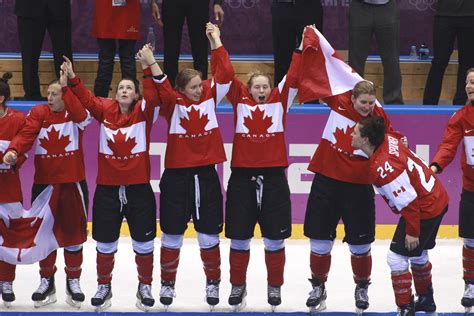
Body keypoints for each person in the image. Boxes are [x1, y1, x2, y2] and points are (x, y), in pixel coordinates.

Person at [63, 46, 161, 311]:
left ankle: (145, 286)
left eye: (129, 88)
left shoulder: (145, 112)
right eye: (120, 88)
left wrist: (146, 67)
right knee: (105, 243)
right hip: (107, 190)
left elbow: (153, 94)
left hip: (138, 189)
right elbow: (85, 98)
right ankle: (104, 286)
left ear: (137, 95)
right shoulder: (105, 109)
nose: (124, 91)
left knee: (143, 242)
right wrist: (72, 77)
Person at [220, 24, 303, 311]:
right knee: (239, 238)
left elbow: (293, 76)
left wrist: (301, 48)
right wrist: (217, 42)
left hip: (274, 179)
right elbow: (226, 74)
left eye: (266, 86)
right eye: (257, 86)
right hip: (242, 178)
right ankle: (237, 286)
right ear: (248, 88)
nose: (262, 90)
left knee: (274, 239)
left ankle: (274, 286)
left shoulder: (280, 102)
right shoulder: (239, 101)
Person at [150, 23, 232, 310]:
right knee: (172, 233)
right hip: (176, 177)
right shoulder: (172, 105)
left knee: (209, 233)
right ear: (182, 89)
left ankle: (213, 282)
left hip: (206, 175)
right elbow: (160, 88)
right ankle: (168, 284)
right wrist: (151, 63)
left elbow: (226, 75)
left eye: (201, 85)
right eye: (194, 87)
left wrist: (216, 41)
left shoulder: (210, 96)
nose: (199, 90)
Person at [303, 81, 395, 313]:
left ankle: (362, 287)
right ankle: (318, 286)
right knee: (320, 241)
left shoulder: (379, 118)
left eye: (371, 102)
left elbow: (390, 143)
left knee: (361, 244)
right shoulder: (339, 101)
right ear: (352, 99)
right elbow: (321, 78)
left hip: (359, 187)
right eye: (363, 102)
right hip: (327, 181)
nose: (367, 107)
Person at [3, 69, 91, 309]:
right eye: (49, 93)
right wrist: (14, 150)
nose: (49, 98)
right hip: (44, 185)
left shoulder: (76, 115)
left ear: (65, 95)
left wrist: (67, 85)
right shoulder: (39, 113)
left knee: (74, 236)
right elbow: (27, 134)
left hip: (72, 183)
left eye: (55, 93)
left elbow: (81, 113)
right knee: (44, 237)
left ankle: (73, 282)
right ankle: (46, 281)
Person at [351, 116, 449, 316]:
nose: (351, 134)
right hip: (437, 198)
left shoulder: (384, 167)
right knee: (418, 253)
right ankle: (426, 301)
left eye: (355, 132)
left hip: (424, 208)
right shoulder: (388, 139)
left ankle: (405, 308)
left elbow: (409, 201)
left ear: (366, 140)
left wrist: (413, 231)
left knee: (396, 258)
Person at [429, 68, 474, 313]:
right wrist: (435, 165)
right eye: (467, 82)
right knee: (471, 240)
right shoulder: (460, 117)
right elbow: (448, 145)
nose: (469, 86)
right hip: (471, 189)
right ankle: (471, 284)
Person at [150, 0, 225, 85]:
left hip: (198, 3)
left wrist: (217, 3)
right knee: (171, 49)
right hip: (172, 3)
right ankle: (170, 91)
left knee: (200, 49)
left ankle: (201, 91)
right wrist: (153, 2)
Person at [0, 72, 26, 307]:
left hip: (9, 190)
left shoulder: (17, 120)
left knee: (9, 239)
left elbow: (24, 148)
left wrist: (15, 158)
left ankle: (6, 281)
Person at [14, 0, 73, 100]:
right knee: (29, 57)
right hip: (28, 8)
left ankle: (67, 95)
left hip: (59, 7)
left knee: (63, 55)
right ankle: (31, 96)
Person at [348, 0, 404, 104]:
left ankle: (394, 102)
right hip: (360, 7)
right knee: (356, 61)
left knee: (391, 60)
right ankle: (354, 100)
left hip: (387, 7)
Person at [423, 0, 474, 105]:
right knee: (439, 62)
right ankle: (429, 105)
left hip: (470, 15)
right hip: (444, 14)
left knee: (467, 63)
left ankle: (460, 105)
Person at [92, 0, 140, 97]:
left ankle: (131, 104)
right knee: (107, 59)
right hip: (105, 8)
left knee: (127, 58)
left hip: (128, 9)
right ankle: (100, 103)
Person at [271, 0, 323, 86]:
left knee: (311, 54)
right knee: (282, 55)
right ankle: (281, 97)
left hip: (309, 7)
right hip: (282, 5)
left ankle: (311, 98)